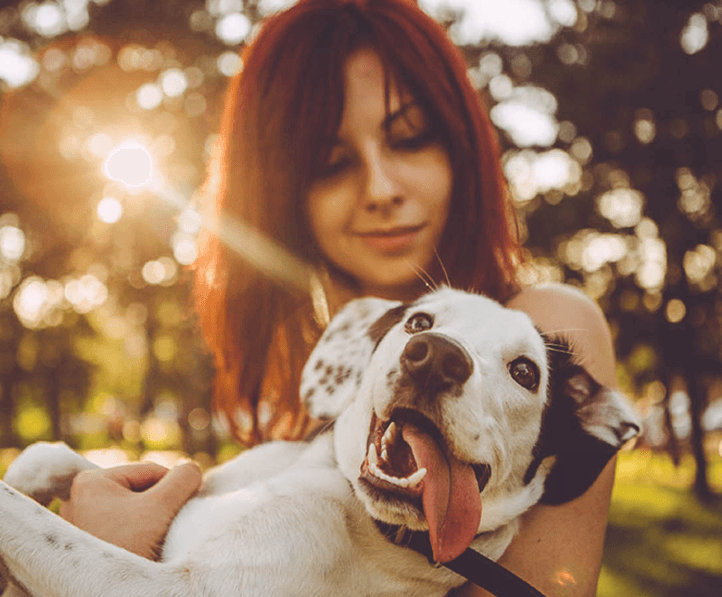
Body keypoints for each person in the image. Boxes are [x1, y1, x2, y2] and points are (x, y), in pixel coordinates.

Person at [60, 1, 621, 595]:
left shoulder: (545, 334)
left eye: (410, 139)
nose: (380, 189)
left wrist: (94, 570)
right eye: (332, 163)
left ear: (459, 146)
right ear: (278, 193)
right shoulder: (315, 394)